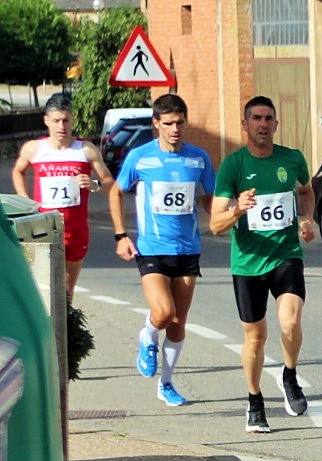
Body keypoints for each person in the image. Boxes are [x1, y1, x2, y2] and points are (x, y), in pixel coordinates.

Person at [209, 96, 316, 433]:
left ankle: (289, 375)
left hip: (286, 254)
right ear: (245, 124)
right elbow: (214, 224)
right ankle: (255, 401)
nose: (263, 124)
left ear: (276, 124)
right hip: (247, 263)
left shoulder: (292, 159)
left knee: (290, 321)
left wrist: (308, 219)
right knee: (255, 337)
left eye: (269, 118)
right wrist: (238, 209)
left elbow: (307, 190)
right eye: (256, 118)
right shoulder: (233, 166)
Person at [108, 93, 217, 407]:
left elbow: (210, 198)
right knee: (163, 313)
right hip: (152, 249)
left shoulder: (199, 158)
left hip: (188, 249)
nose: (175, 129)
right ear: (156, 124)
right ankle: (146, 335)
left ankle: (166, 383)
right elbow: (116, 192)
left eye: (180, 122)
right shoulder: (140, 157)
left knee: (178, 324)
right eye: (168, 123)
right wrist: (120, 236)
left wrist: (228, 216)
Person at [10, 94, 114, 301]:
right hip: (42, 229)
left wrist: (93, 185)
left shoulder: (85, 150)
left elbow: (109, 182)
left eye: (66, 120)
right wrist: (25, 199)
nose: (61, 126)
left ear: (72, 119)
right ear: (46, 120)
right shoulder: (34, 148)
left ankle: (65, 333)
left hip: (75, 231)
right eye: (56, 120)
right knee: (42, 290)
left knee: (66, 290)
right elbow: (17, 171)